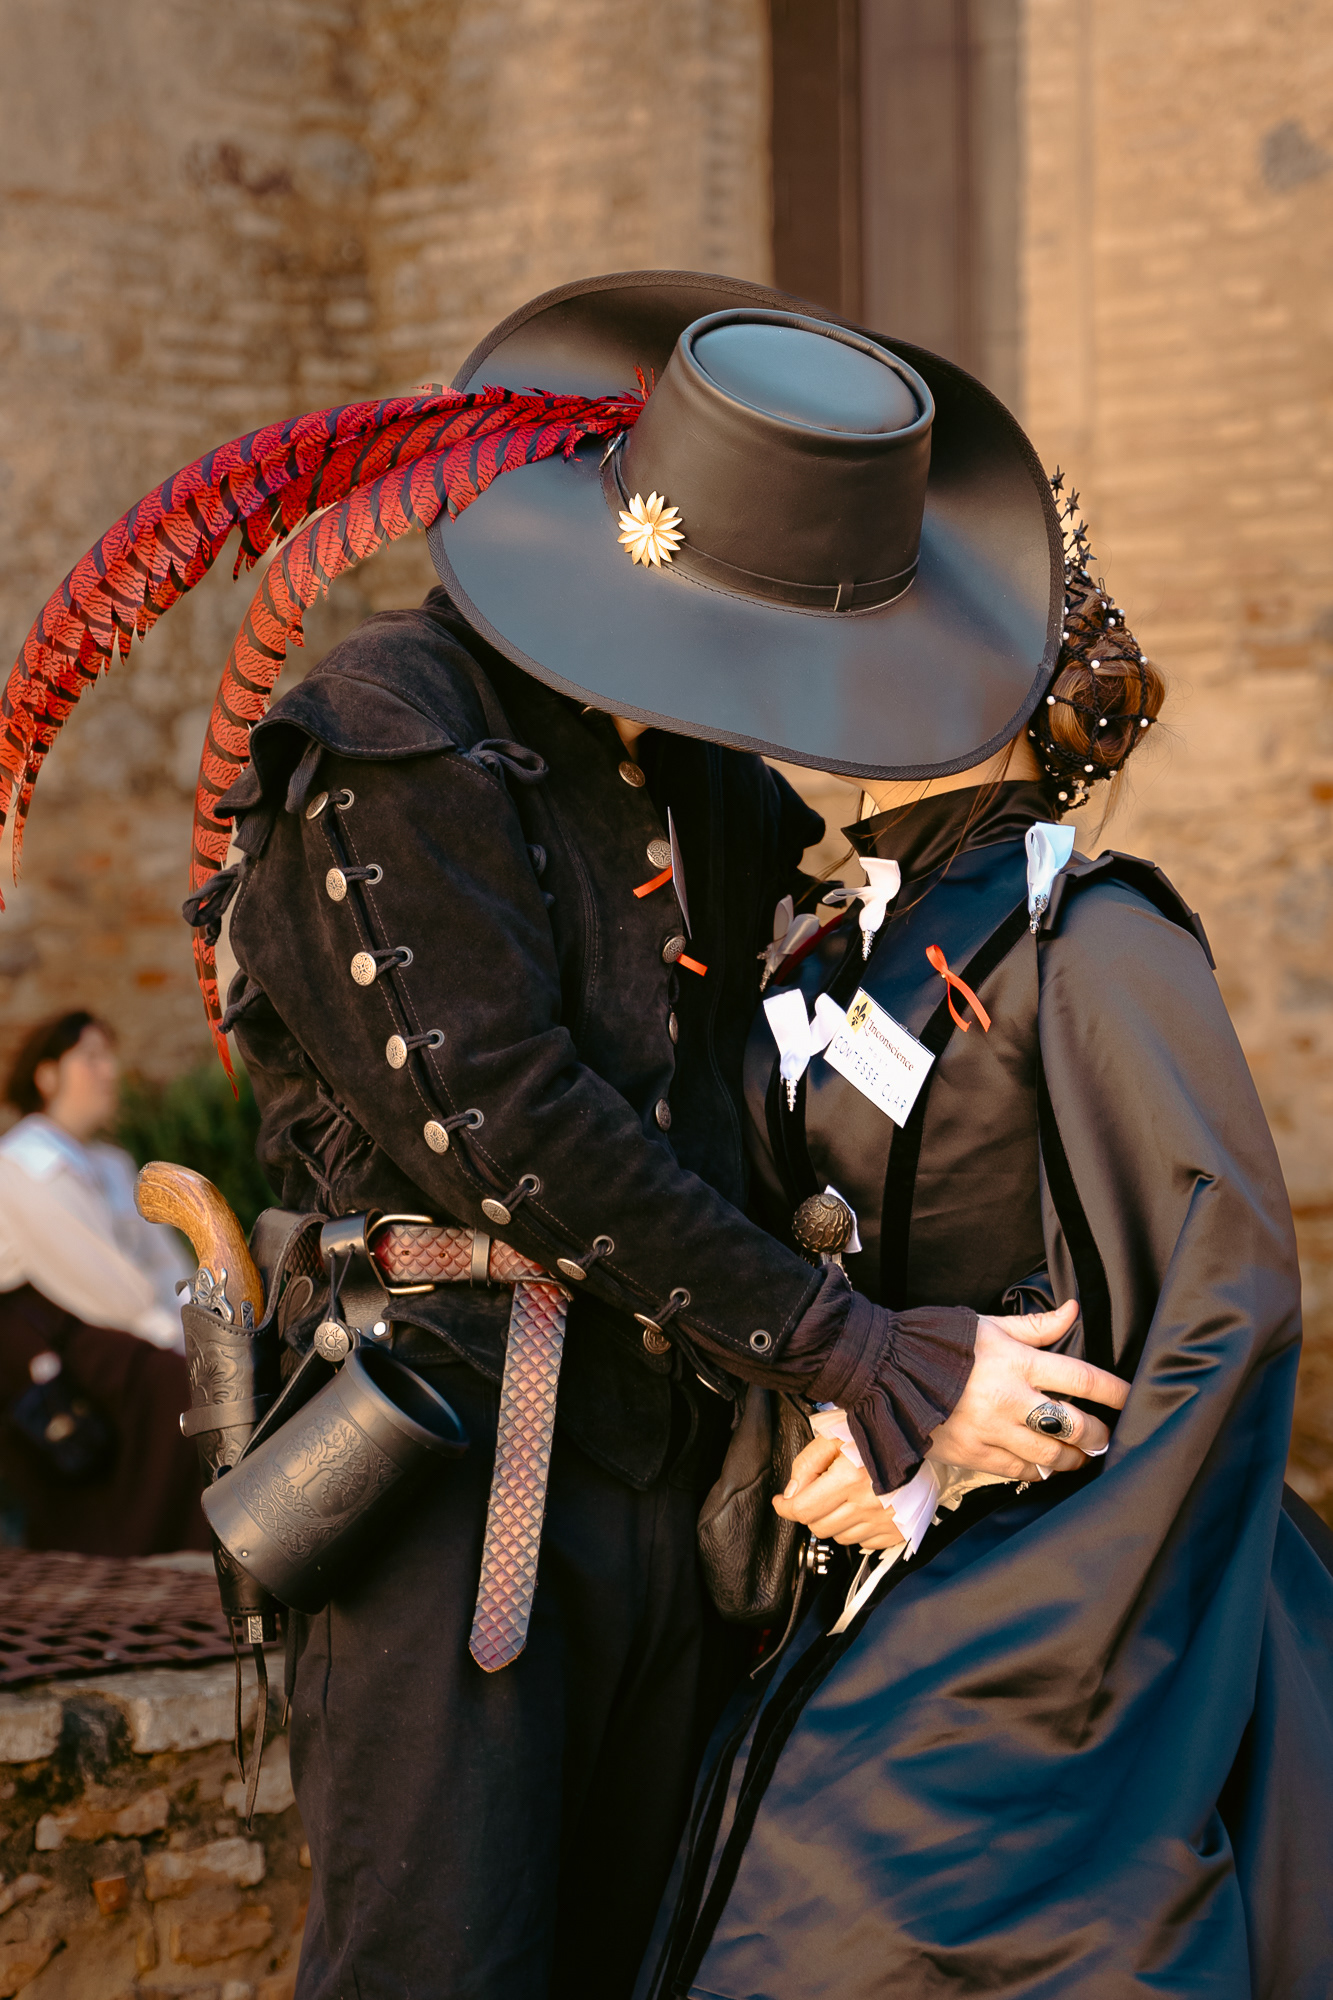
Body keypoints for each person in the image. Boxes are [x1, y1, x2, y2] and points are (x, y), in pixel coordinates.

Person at [2, 270, 1133, 1997]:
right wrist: (853, 1351)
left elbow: (788, 1081)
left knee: (643, 1962)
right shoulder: (391, 735)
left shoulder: (701, 782)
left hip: (674, 1473)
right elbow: (511, 1124)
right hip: (455, 1472)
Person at [635, 510, 1333, 1996]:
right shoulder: (833, 943)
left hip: (1068, 1576)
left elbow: (1224, 1296)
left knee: (846, 1893)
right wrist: (842, 1421)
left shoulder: (1096, 936)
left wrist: (948, 1467)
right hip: (844, 1553)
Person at [0, 1012, 207, 1554]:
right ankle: (161, 1547)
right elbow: (90, 1276)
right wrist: (171, 1336)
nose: (110, 1070)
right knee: (180, 1386)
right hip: (55, 1334)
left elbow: (164, 1259)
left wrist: (204, 1321)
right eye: (91, 1058)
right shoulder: (24, 1162)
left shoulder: (111, 1164)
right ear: (47, 1075)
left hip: (117, 1322)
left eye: (109, 1056)